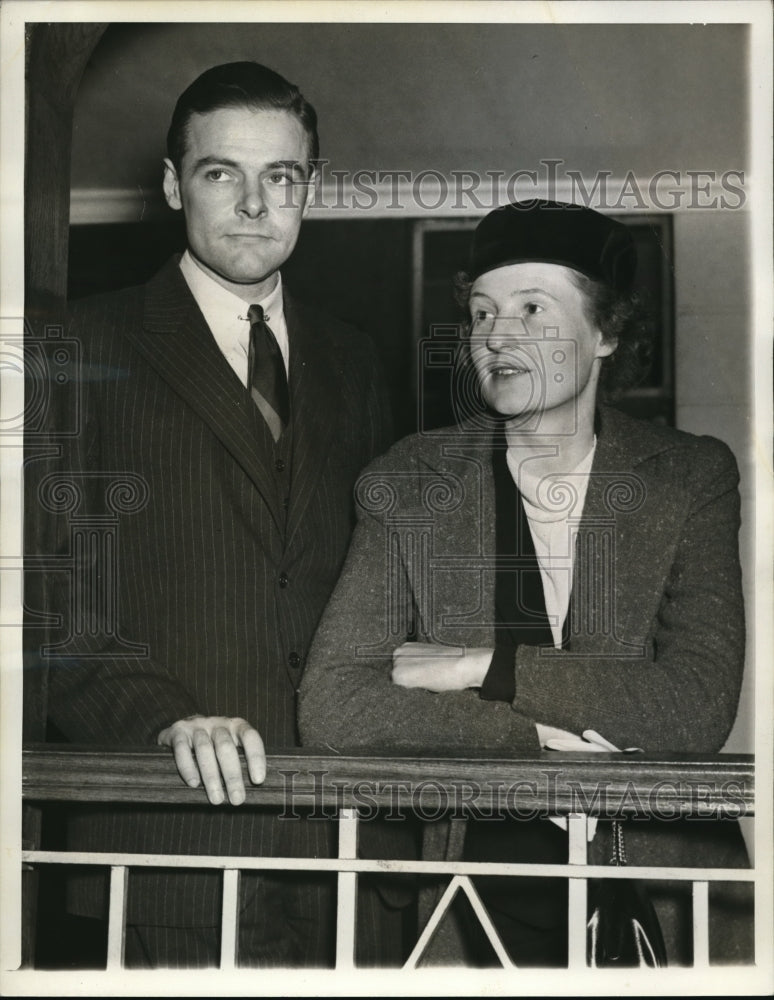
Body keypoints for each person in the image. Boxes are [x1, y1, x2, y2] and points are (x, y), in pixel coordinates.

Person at [299, 199, 752, 965]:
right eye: (480, 314)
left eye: (532, 309)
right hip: (474, 891)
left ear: (606, 333)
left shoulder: (690, 476)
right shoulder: (410, 479)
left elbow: (695, 709)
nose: (496, 336)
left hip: (663, 896)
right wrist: (533, 738)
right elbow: (335, 705)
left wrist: (482, 668)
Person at [39, 61, 394, 967]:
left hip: (345, 838)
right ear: (171, 186)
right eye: (220, 173)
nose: (253, 203)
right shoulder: (75, 345)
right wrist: (162, 719)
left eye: (280, 177)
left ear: (308, 189)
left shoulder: (357, 362)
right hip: (167, 830)